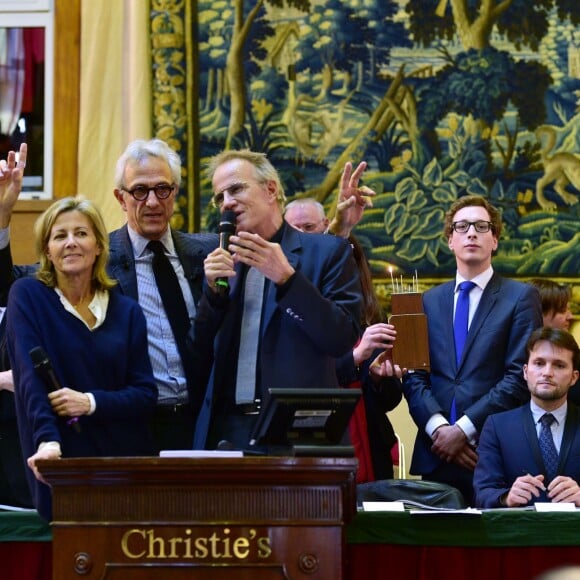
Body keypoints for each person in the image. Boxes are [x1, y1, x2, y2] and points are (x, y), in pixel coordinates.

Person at [0, 139, 219, 452]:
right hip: (129, 425)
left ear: (175, 192)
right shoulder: (94, 258)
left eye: (162, 189)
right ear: (121, 197)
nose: (153, 202)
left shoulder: (207, 252)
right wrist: (3, 214)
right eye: (140, 191)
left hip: (202, 422)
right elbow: (8, 284)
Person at [191, 149, 363, 450]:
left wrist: (288, 280)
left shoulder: (327, 252)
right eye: (220, 197)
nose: (227, 203)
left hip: (295, 434)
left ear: (270, 189)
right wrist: (212, 295)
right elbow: (197, 352)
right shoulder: (219, 263)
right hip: (227, 434)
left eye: (236, 188)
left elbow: (341, 338)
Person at [6, 197, 158, 520]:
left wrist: (89, 402)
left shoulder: (127, 311)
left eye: (81, 233)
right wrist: (47, 440)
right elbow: (30, 377)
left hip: (124, 468)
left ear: (99, 246)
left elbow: (145, 394)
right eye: (60, 236)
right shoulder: (28, 296)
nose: (71, 242)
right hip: (62, 467)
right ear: (47, 250)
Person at [402, 194, 543, 504]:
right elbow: (414, 376)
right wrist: (440, 429)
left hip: (491, 452)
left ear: (494, 240)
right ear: (450, 240)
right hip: (435, 453)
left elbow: (519, 376)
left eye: (481, 226)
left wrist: (464, 430)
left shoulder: (520, 298)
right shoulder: (426, 302)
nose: (471, 233)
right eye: (462, 226)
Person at [285, 182, 403, 481]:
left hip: (368, 436)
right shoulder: (278, 289)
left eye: (309, 227)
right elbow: (299, 372)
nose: (302, 237)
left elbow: (389, 398)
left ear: (324, 226)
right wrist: (355, 357)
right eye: (294, 230)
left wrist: (378, 376)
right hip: (306, 434)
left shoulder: (348, 268)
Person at [473, 327, 580, 508]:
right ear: (525, 371)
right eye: (539, 363)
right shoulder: (497, 427)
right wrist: (507, 497)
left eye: (559, 365)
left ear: (574, 377)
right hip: (518, 533)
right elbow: (482, 493)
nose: (547, 372)